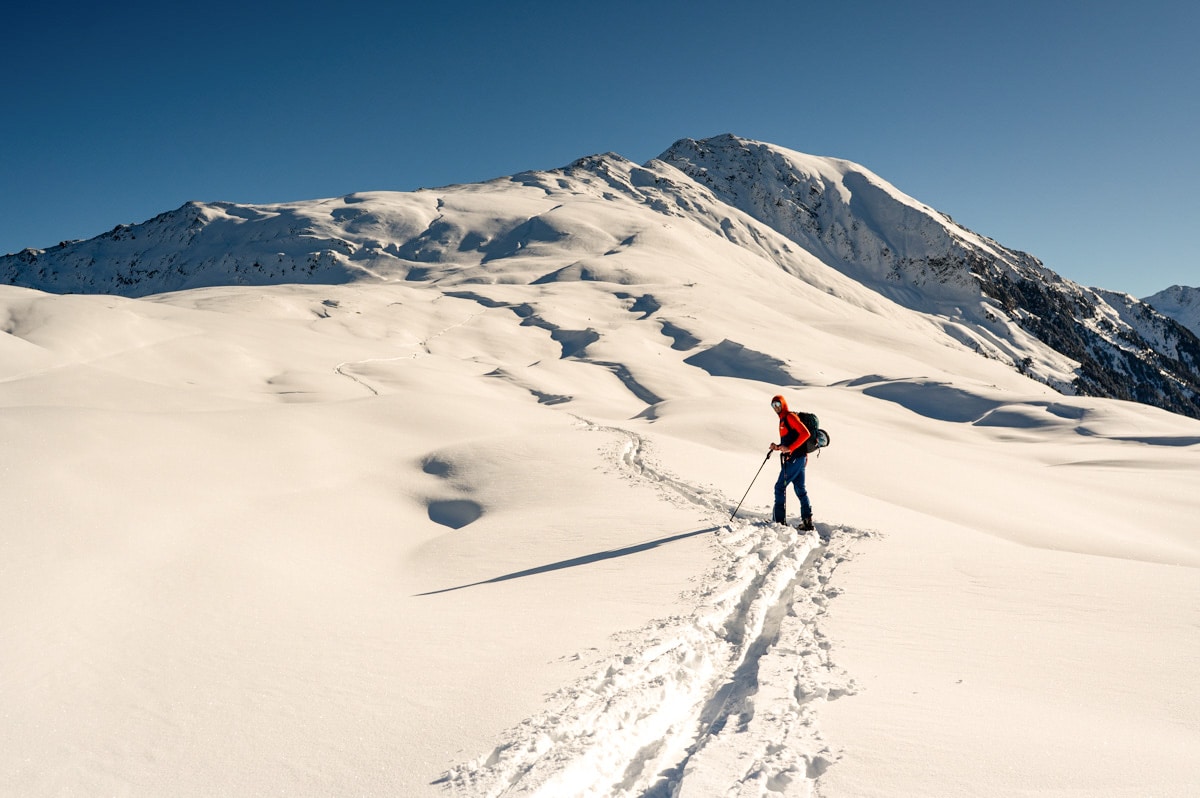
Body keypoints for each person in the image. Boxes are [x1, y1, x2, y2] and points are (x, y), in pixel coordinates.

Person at [769, 394, 814, 531]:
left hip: (795, 458)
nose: (776, 408)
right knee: (800, 489)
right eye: (773, 405)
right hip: (798, 458)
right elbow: (789, 441)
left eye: (778, 404)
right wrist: (778, 447)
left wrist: (790, 448)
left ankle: (779, 522)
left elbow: (805, 434)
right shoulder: (783, 420)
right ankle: (807, 522)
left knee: (779, 487)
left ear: (783, 404)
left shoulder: (790, 417)